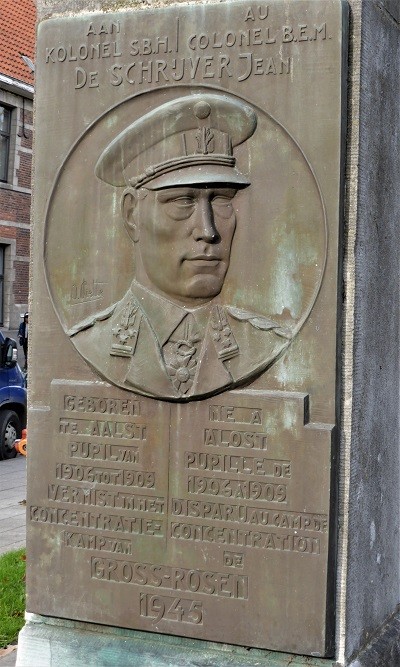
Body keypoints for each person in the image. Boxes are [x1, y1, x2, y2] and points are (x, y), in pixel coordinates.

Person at [70, 93, 291, 399]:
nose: (208, 230)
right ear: (132, 214)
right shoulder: (92, 341)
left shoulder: (265, 343)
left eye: (222, 199)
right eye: (182, 201)